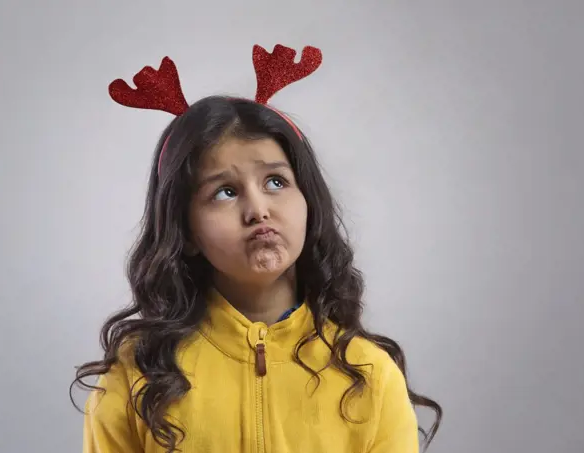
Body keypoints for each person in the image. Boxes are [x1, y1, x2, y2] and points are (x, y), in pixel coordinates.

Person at [71, 44, 442, 453]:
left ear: (309, 205)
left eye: (276, 182)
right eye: (225, 192)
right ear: (186, 232)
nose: (258, 210)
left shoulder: (369, 373)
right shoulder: (137, 376)